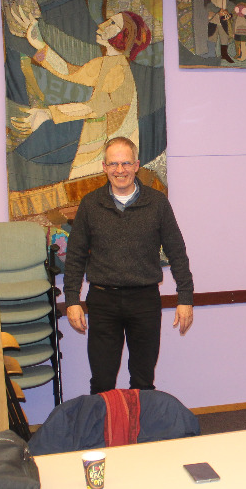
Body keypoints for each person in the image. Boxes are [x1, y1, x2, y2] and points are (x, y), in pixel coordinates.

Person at [64, 137, 194, 395]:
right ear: (104, 167)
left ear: (136, 165)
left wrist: (185, 298)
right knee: (102, 382)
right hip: (103, 301)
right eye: (113, 164)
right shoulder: (90, 205)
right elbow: (75, 256)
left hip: (144, 301)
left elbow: (177, 252)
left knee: (143, 382)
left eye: (125, 163)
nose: (120, 170)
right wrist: (71, 300)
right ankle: (105, 423)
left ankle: (140, 423)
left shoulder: (157, 203)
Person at [11, 7, 151, 180]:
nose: (102, 26)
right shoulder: (105, 63)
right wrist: (39, 45)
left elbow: (94, 107)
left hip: (113, 152)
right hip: (97, 145)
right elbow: (68, 71)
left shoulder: (119, 70)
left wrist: (49, 114)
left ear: (124, 35)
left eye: (112, 23)